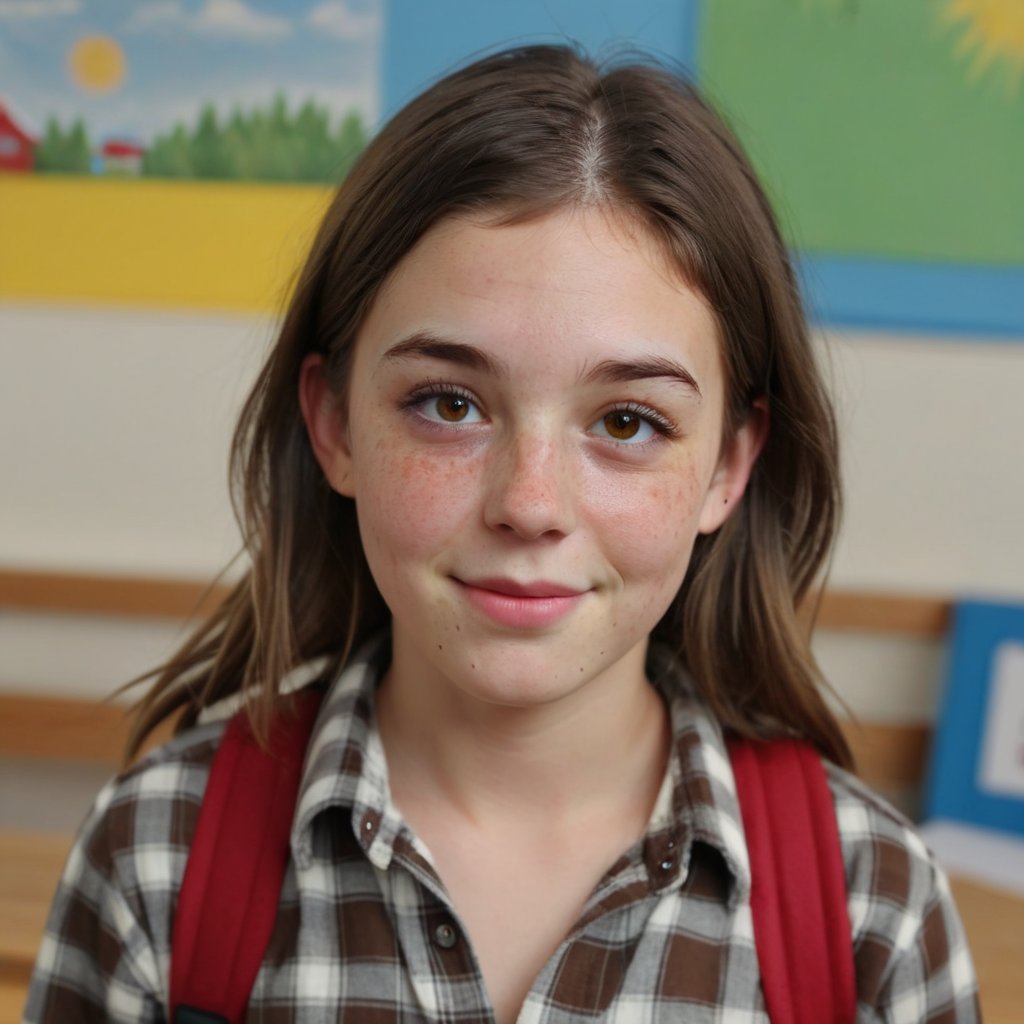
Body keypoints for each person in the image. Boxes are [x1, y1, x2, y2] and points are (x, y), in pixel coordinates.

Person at [25, 44, 979, 1023]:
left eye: (625, 421)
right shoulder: (156, 859)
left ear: (727, 466)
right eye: (447, 403)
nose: (529, 503)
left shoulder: (876, 910)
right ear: (334, 424)